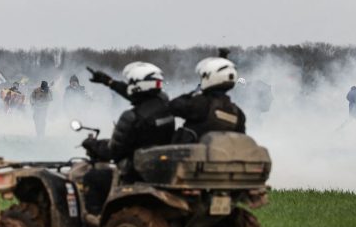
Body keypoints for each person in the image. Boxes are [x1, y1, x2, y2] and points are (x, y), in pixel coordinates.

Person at [82, 62, 174, 217]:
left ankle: (96, 221)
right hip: (159, 169)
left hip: (134, 173)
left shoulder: (131, 117)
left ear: (138, 87)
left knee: (92, 178)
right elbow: (138, 95)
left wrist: (93, 144)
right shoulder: (164, 105)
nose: (130, 86)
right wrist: (109, 82)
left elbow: (113, 152)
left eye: (132, 82)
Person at [169, 53, 246, 144]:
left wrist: (192, 94)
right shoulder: (238, 113)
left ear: (210, 76)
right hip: (223, 156)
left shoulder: (201, 103)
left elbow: (173, 106)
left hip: (192, 156)